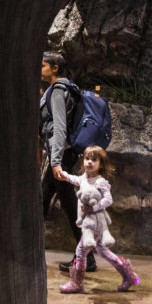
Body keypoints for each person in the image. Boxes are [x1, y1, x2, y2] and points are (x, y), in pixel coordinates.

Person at [55, 145, 141, 294]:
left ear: (101, 164)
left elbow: (108, 200)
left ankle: (76, 283)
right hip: (88, 223)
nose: (89, 162)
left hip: (94, 223)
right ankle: (129, 275)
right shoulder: (84, 178)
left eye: (94, 160)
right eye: (87, 159)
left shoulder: (100, 182)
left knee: (81, 250)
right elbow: (74, 179)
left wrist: (93, 209)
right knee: (103, 251)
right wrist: (63, 174)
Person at [40, 52, 97, 273]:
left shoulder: (58, 91)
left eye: (43, 65)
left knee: (45, 202)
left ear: (55, 68)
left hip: (60, 157)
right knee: (60, 203)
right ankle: (86, 257)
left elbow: (60, 127)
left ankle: (85, 257)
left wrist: (55, 162)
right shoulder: (66, 89)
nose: (40, 69)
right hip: (63, 155)